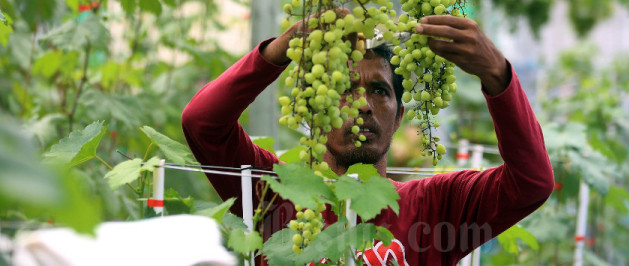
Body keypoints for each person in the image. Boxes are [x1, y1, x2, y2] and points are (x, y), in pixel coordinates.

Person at [182, 14, 554, 265]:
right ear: (314, 113)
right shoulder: (274, 193)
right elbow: (202, 123)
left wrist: (497, 73)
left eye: (379, 90)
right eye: (344, 88)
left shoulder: (436, 206)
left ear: (399, 117)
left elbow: (532, 183)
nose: (362, 104)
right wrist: (279, 51)